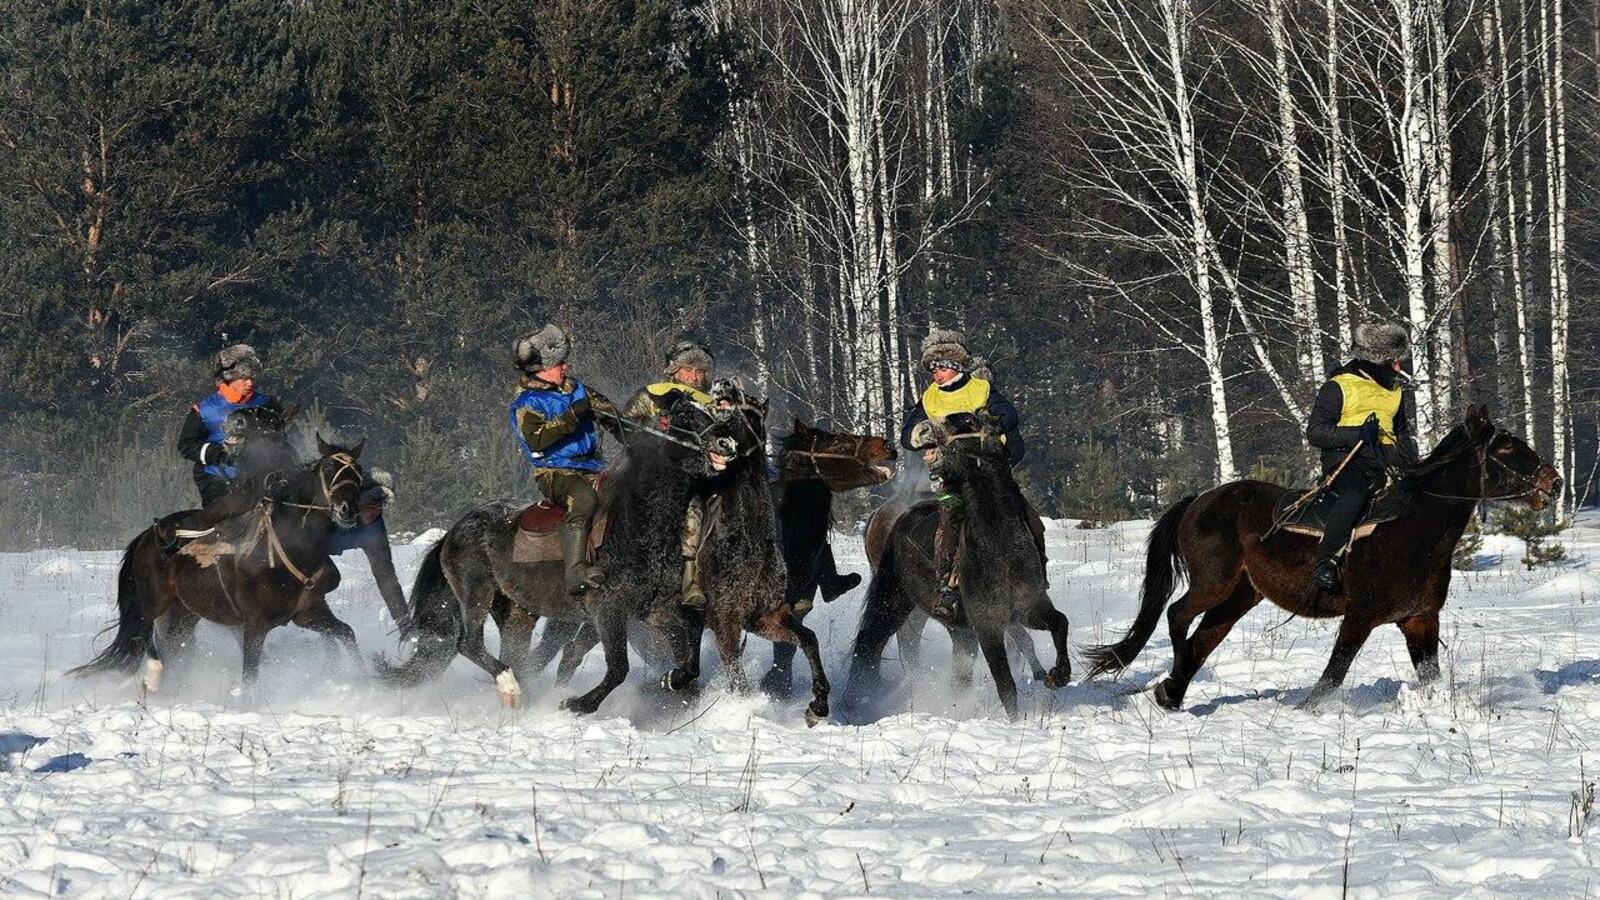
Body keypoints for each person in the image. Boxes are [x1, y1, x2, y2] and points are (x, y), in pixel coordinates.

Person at [898, 329, 1024, 622]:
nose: (936, 374)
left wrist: (991, 423)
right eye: (932, 369)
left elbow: (1009, 414)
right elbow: (907, 435)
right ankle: (946, 587)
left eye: (940, 368)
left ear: (954, 367)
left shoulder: (981, 389)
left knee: (1022, 513)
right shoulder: (928, 398)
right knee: (949, 520)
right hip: (950, 477)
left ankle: (1034, 571)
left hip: (989, 473)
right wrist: (922, 434)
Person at [1304, 321, 1420, 597]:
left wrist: (1407, 452)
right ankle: (1325, 561)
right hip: (1345, 463)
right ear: (1376, 360)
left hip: (1384, 464)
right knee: (1355, 493)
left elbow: (1401, 433)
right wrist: (1356, 433)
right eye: (1393, 361)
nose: (1398, 368)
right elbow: (1316, 432)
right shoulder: (1338, 386)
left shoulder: (1396, 392)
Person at [510, 324, 621, 596]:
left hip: (594, 466)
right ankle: (575, 572)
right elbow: (536, 440)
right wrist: (571, 417)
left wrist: (638, 438)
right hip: (556, 472)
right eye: (559, 363)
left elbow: (613, 417)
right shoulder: (527, 402)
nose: (565, 367)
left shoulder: (578, 389)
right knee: (584, 500)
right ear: (542, 370)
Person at [623, 339, 717, 608]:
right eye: (690, 370)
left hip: (704, 472)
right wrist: (653, 426)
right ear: (674, 371)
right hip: (653, 470)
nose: (696, 377)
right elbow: (626, 426)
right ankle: (687, 578)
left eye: (702, 371)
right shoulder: (653, 394)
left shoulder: (714, 402)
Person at [177, 344, 280, 506]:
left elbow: (284, 435)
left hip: (261, 474)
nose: (250, 383)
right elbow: (187, 445)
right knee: (229, 517)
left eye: (252, 378)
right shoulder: (204, 410)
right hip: (217, 477)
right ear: (230, 379)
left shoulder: (267, 403)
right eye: (244, 378)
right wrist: (220, 454)